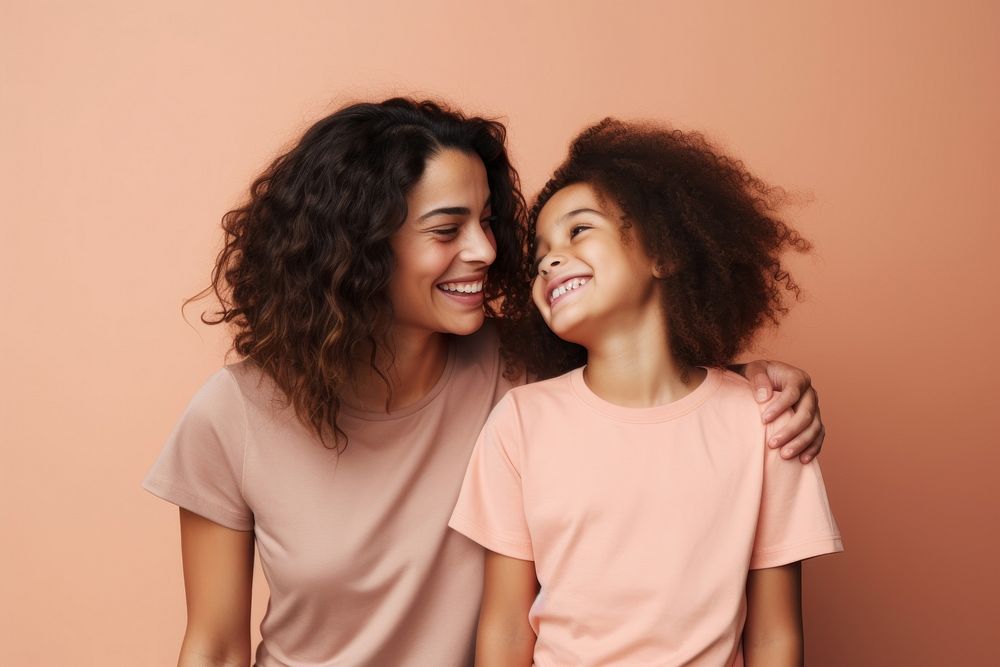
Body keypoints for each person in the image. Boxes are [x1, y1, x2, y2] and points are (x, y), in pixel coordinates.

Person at [143, 99, 828, 666]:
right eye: (449, 228)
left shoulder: (519, 372)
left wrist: (759, 383)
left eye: (488, 222)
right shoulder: (231, 416)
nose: (488, 251)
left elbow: (655, 396)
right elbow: (215, 644)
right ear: (358, 245)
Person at [449, 118, 843, 666]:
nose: (549, 259)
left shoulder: (765, 422)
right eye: (539, 253)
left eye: (579, 230)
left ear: (665, 252)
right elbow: (508, 628)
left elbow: (775, 636)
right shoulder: (520, 421)